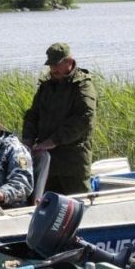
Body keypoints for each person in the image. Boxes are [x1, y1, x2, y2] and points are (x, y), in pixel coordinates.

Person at [22, 42, 98, 195]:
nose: (53, 69)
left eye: (56, 65)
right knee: (47, 205)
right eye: (50, 66)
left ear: (69, 62)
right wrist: (28, 139)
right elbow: (33, 115)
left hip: (72, 162)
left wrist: (53, 141)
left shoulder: (82, 86)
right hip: (47, 162)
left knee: (79, 203)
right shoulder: (47, 86)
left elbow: (84, 119)